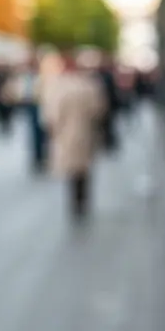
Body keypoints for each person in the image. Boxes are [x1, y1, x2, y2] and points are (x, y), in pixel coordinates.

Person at [42, 52, 107, 220]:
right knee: (83, 168)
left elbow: (51, 114)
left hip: (65, 133)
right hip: (85, 132)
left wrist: (53, 130)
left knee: (71, 168)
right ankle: (82, 200)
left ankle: (75, 202)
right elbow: (98, 109)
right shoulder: (89, 85)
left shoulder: (58, 86)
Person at [9, 52, 46, 174]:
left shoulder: (42, 76)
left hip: (39, 104)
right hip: (29, 105)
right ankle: (37, 157)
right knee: (33, 133)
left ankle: (41, 156)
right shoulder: (25, 77)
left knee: (40, 132)